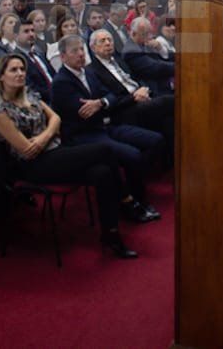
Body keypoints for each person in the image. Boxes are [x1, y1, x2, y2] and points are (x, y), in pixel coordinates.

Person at [0, 54, 141, 258]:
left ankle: (111, 234)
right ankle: (127, 200)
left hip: (53, 153)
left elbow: (56, 118)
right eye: (13, 70)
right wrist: (49, 134)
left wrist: (45, 135)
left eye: (22, 69)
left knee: (102, 172)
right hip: (33, 166)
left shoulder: (29, 94)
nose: (20, 74)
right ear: (1, 76)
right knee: (104, 151)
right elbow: (27, 150)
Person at [51, 35, 162, 221]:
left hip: (105, 126)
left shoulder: (89, 72)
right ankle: (134, 203)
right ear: (62, 57)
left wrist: (101, 103)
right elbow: (84, 114)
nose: (80, 54)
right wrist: (103, 104)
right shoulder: (61, 82)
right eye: (74, 51)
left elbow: (111, 96)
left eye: (81, 50)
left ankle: (133, 194)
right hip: (83, 136)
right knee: (132, 155)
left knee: (154, 140)